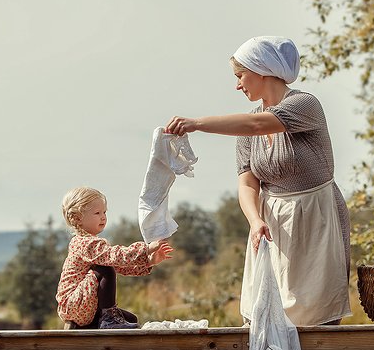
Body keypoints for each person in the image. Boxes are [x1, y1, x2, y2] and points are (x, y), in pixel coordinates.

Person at [164, 35, 351, 327]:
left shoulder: (304, 105)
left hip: (316, 216)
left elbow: (255, 125)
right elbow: (248, 183)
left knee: (320, 313)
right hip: (271, 221)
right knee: (266, 315)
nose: (237, 84)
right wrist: (254, 220)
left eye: (240, 76)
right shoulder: (246, 128)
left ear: (262, 70)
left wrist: (197, 123)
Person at [56, 187, 173, 329]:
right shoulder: (85, 243)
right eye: (97, 213)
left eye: (104, 212)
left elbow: (120, 265)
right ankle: (108, 320)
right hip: (75, 303)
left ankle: (95, 323)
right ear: (77, 218)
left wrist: (149, 261)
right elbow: (116, 256)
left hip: (80, 306)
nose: (103, 217)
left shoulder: (89, 243)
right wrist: (146, 248)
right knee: (106, 269)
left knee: (130, 319)